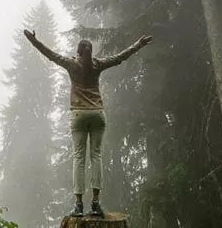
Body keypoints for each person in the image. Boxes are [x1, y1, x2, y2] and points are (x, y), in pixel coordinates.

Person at [24, 29, 152, 217]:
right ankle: (95, 203)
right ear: (90, 52)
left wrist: (33, 41)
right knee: (96, 156)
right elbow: (120, 57)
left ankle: (78, 205)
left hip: (78, 114)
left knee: (79, 158)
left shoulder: (71, 64)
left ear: (78, 52)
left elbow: (50, 54)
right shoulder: (97, 64)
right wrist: (138, 44)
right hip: (97, 114)